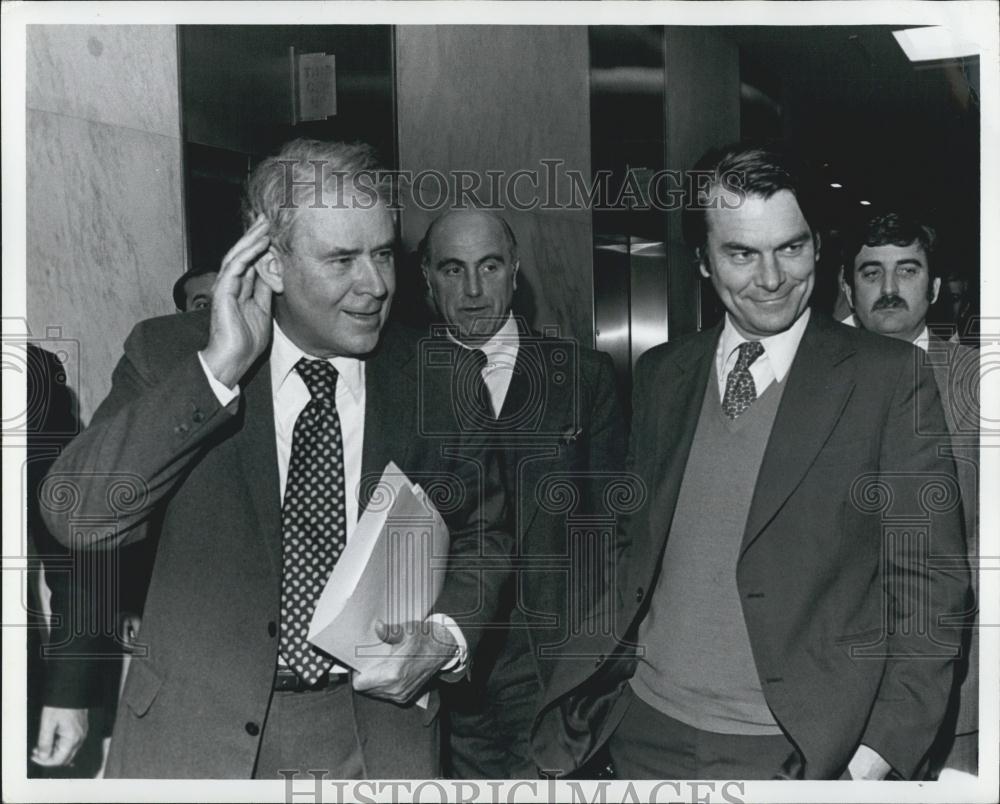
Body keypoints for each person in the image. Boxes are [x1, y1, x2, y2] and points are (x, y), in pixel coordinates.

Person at [39, 138, 511, 779]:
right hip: (197, 742)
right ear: (272, 263)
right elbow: (81, 517)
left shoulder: (444, 378)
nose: (374, 285)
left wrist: (447, 634)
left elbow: (486, 534)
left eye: (381, 254)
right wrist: (218, 370)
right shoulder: (173, 356)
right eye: (342, 259)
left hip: (377, 738)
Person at [531, 144, 968, 780]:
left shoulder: (888, 379)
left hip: (797, 750)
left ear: (819, 246)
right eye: (741, 253)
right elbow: (630, 547)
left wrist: (872, 759)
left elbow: (930, 588)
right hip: (640, 729)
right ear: (705, 262)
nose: (770, 278)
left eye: (790, 248)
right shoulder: (662, 374)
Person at [419, 209, 626, 778]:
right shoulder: (401, 381)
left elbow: (612, 539)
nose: (473, 291)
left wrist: (595, 673)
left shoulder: (584, 379)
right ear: (428, 280)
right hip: (439, 680)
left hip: (551, 676)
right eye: (453, 270)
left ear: (516, 272)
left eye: (489, 267)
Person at [841, 212, 979, 775]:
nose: (890, 289)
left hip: (956, 699)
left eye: (908, 270)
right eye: (872, 272)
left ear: (937, 287)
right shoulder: (804, 384)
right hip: (832, 691)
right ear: (847, 289)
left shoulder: (980, 386)